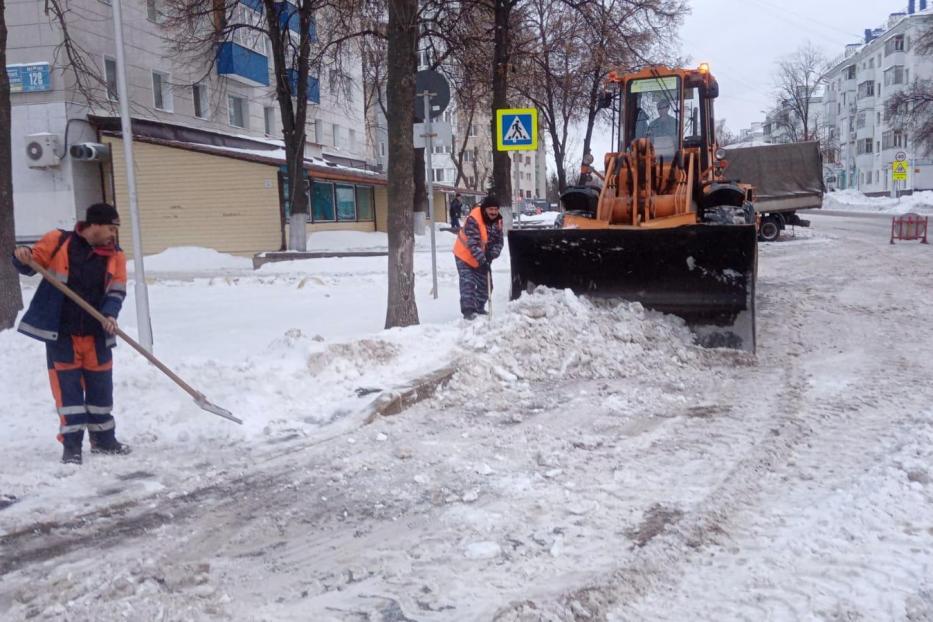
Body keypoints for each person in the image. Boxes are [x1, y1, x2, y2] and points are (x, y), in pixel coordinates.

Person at [11, 203, 131, 465]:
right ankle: (72, 446)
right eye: (110, 228)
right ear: (94, 225)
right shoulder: (58, 241)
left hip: (96, 334)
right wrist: (22, 255)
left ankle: (104, 440)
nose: (113, 234)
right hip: (62, 334)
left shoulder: (115, 255)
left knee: (101, 391)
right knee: (68, 394)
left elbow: (116, 291)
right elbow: (30, 264)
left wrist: (110, 315)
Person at [452, 195, 504, 320]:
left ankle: (479, 308)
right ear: (485, 209)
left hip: (481, 257)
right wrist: (483, 260)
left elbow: (499, 242)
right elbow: (472, 244)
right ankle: (468, 312)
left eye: (496, 209)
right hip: (464, 255)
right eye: (491, 209)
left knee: (486, 284)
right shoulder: (474, 219)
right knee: (468, 282)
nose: (493, 212)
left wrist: (492, 254)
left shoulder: (498, 222)